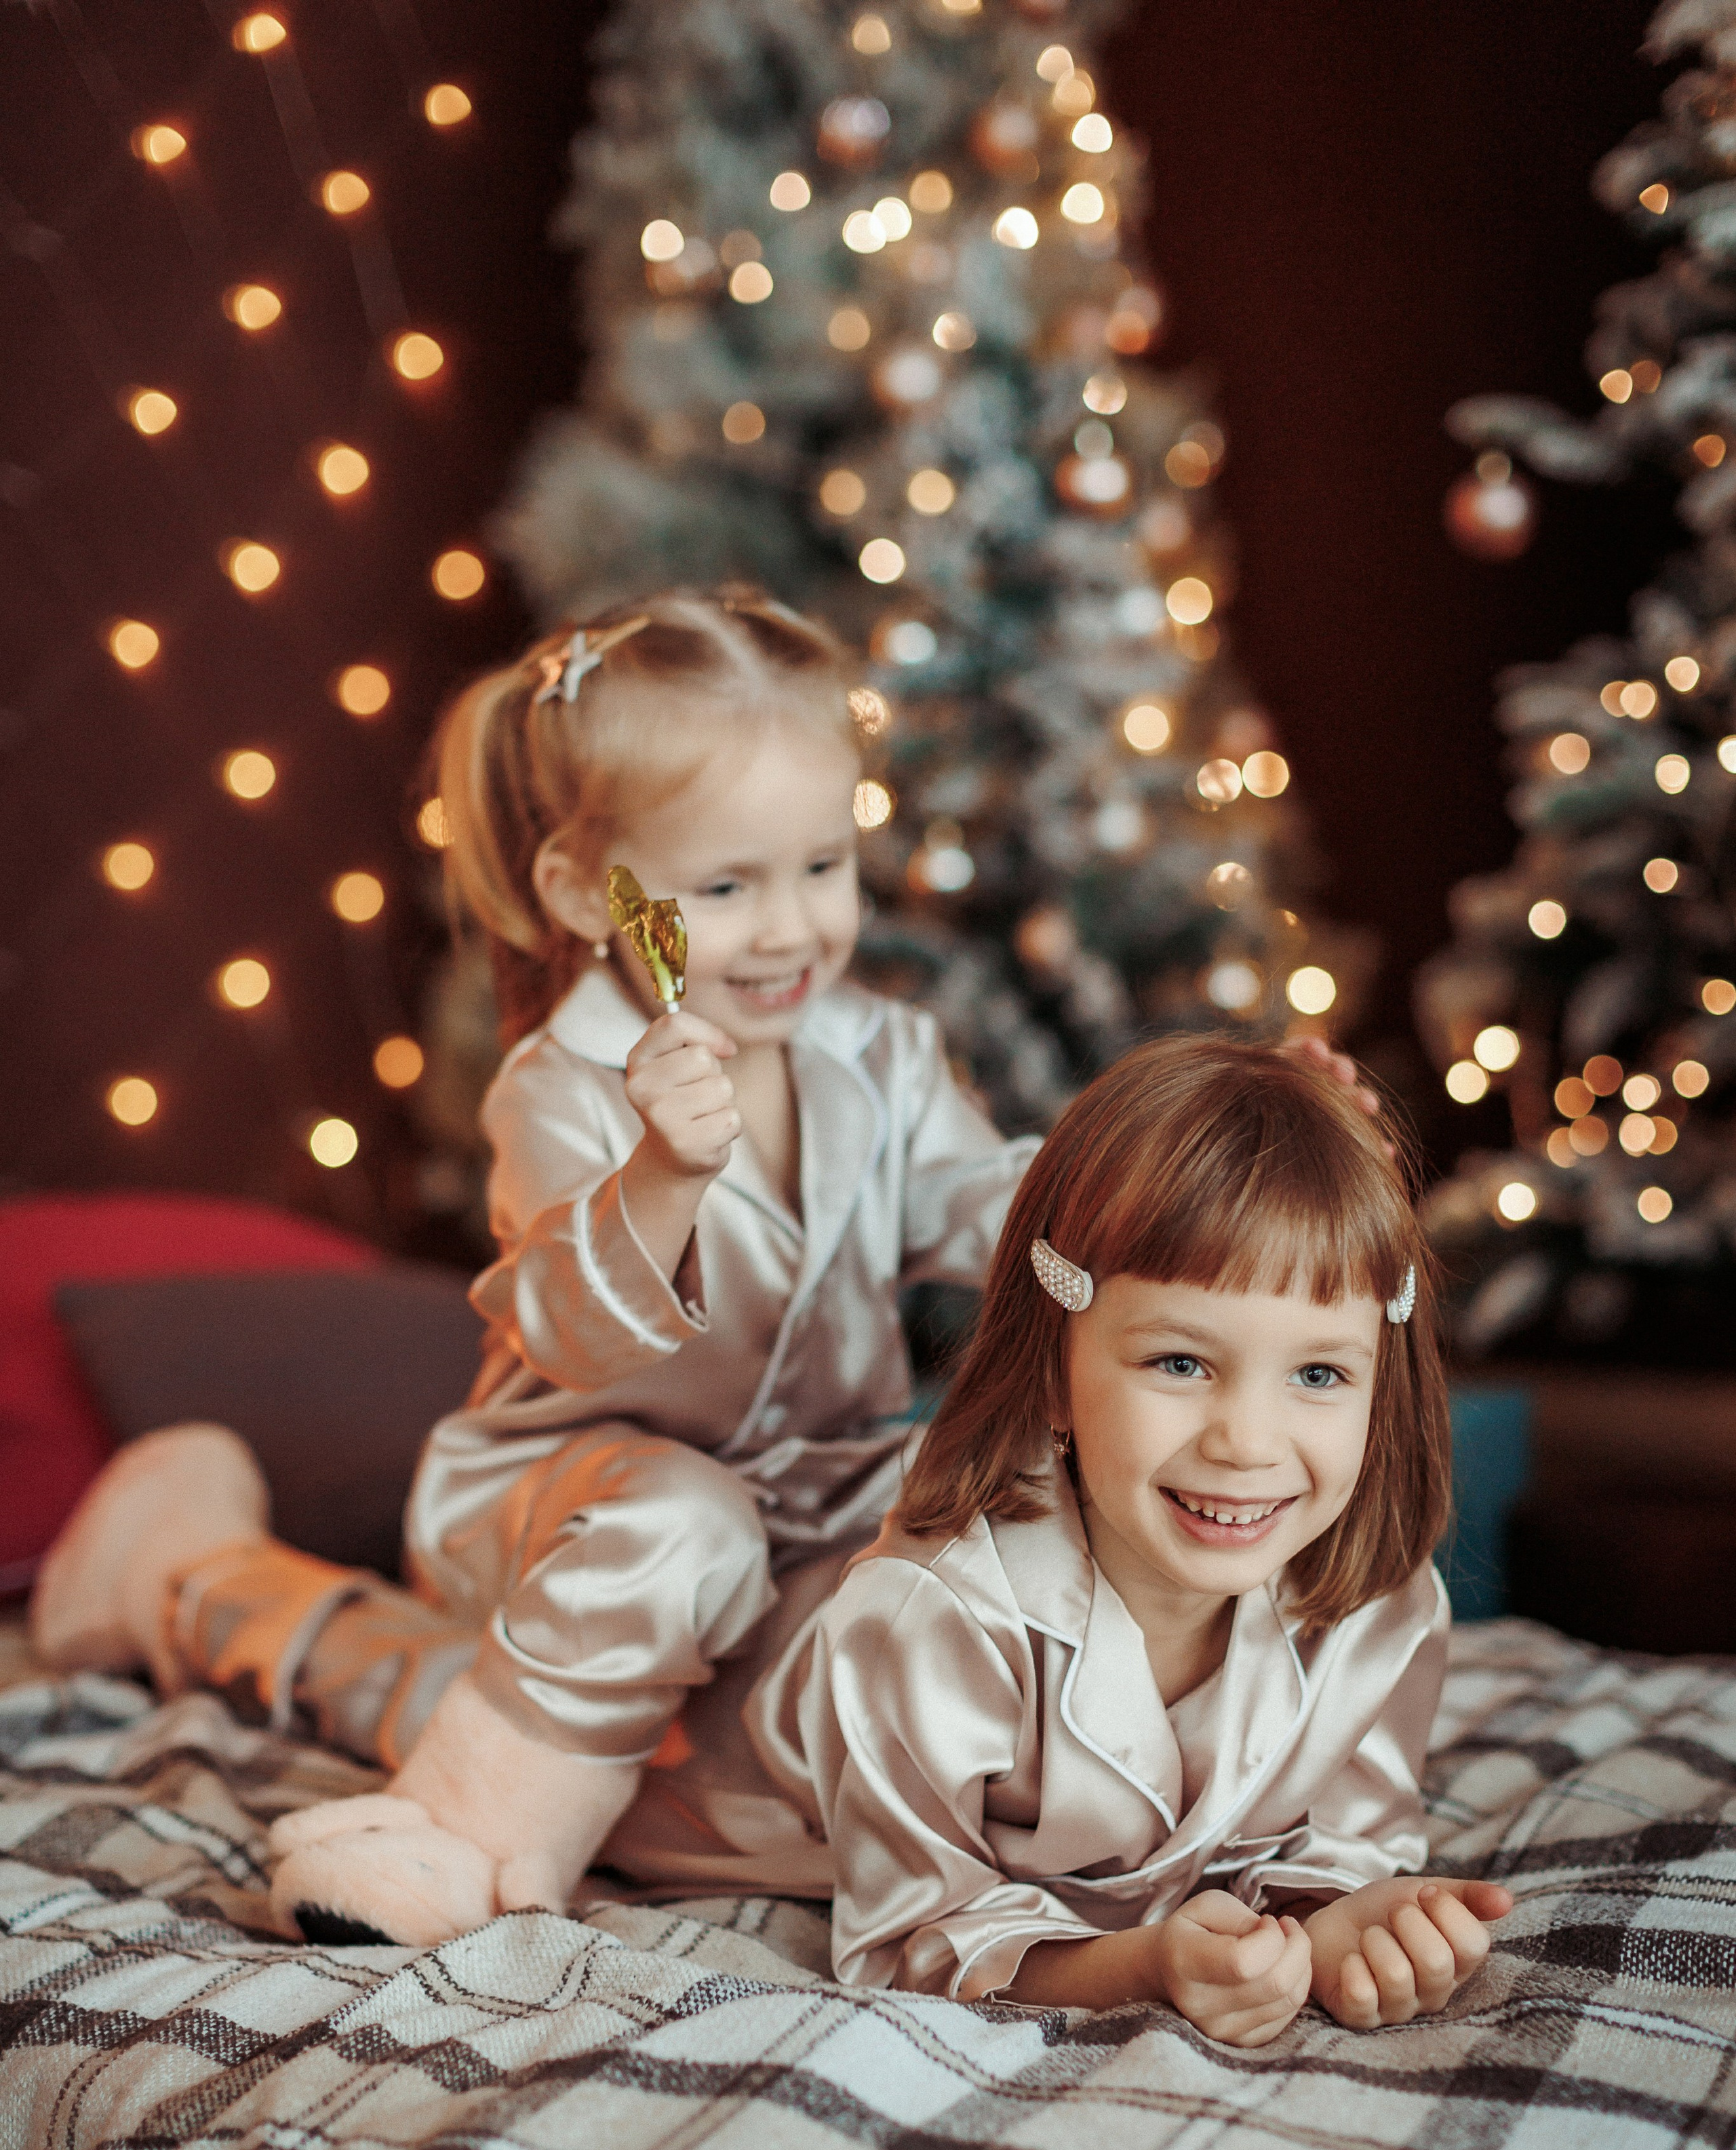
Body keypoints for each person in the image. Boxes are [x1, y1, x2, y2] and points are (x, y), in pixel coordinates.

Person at [33, 587, 1039, 1945]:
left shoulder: (879, 1056)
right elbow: (572, 1323)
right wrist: (662, 1180)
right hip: (584, 1511)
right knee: (684, 1534)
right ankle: (463, 1832)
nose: (794, 928)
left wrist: (1175, 1183)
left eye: (822, 866)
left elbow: (989, 1201)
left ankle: (188, 1566)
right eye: (729, 886)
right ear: (586, 891)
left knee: (959, 1523)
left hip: (817, 1495)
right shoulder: (559, 1089)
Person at [752, 1035, 1513, 2039]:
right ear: (1056, 1372)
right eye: (1181, 1363)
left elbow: (1341, 1849)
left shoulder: (1380, 1603)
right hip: (717, 1765)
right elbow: (910, 1939)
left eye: (1319, 1376)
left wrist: (1337, 1926)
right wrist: (1144, 1967)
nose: (1248, 1444)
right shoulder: (930, 1619)